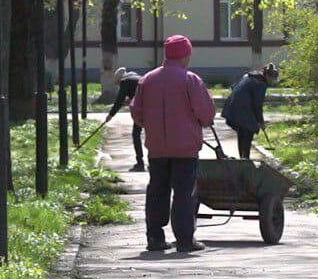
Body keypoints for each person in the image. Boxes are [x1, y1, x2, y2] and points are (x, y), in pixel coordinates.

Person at [131, 35, 216, 253]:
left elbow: (137, 113)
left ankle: (155, 238)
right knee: (184, 193)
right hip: (185, 149)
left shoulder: (147, 80)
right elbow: (206, 114)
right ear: (185, 55)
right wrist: (200, 122)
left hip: (157, 148)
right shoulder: (190, 80)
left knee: (157, 191)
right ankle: (185, 240)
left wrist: (152, 126)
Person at [221, 63, 279, 159]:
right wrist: (261, 122)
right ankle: (245, 159)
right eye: (273, 79)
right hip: (241, 109)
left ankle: (243, 159)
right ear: (268, 76)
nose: (274, 81)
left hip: (232, 107)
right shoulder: (261, 83)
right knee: (248, 131)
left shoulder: (249, 76)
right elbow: (257, 105)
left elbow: (233, 87)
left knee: (242, 133)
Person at [107, 67, 146, 172]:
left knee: (136, 134)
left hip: (142, 109)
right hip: (153, 107)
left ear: (119, 80)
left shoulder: (125, 81)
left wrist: (110, 115)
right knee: (152, 135)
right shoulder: (138, 78)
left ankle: (140, 163)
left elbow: (119, 100)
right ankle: (155, 163)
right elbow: (135, 94)